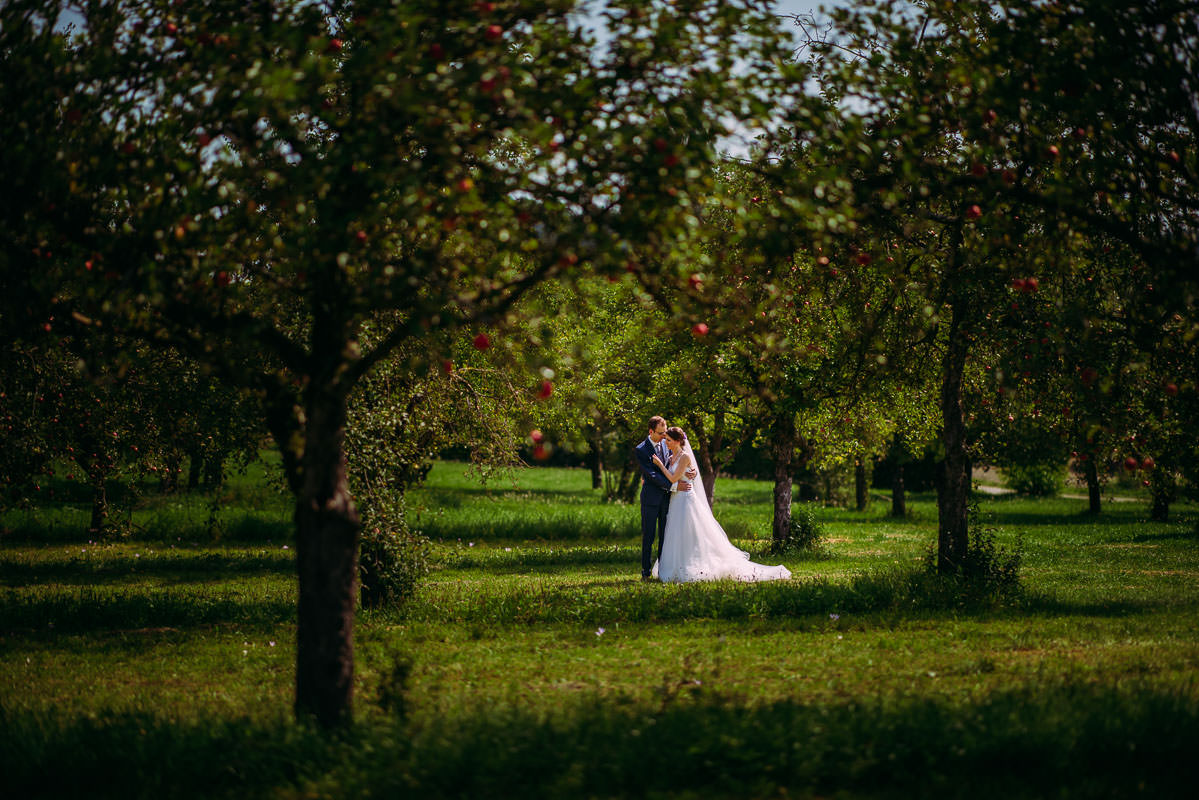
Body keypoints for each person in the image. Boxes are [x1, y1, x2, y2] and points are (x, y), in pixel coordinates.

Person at [651, 426, 791, 583]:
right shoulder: (672, 457)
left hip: (686, 501)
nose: (666, 443)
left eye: (669, 440)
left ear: (677, 441)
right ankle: (674, 566)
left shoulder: (684, 457)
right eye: (666, 440)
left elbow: (673, 478)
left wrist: (660, 465)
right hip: (676, 500)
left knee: (688, 533)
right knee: (675, 532)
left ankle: (692, 566)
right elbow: (684, 474)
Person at [633, 416, 695, 581]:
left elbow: (679, 462)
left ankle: (663, 571)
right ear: (651, 431)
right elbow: (652, 475)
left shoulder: (667, 444)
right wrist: (674, 486)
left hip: (668, 499)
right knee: (649, 535)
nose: (663, 436)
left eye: (665, 433)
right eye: (660, 433)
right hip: (651, 499)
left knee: (665, 536)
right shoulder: (641, 449)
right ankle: (646, 571)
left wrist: (691, 472)